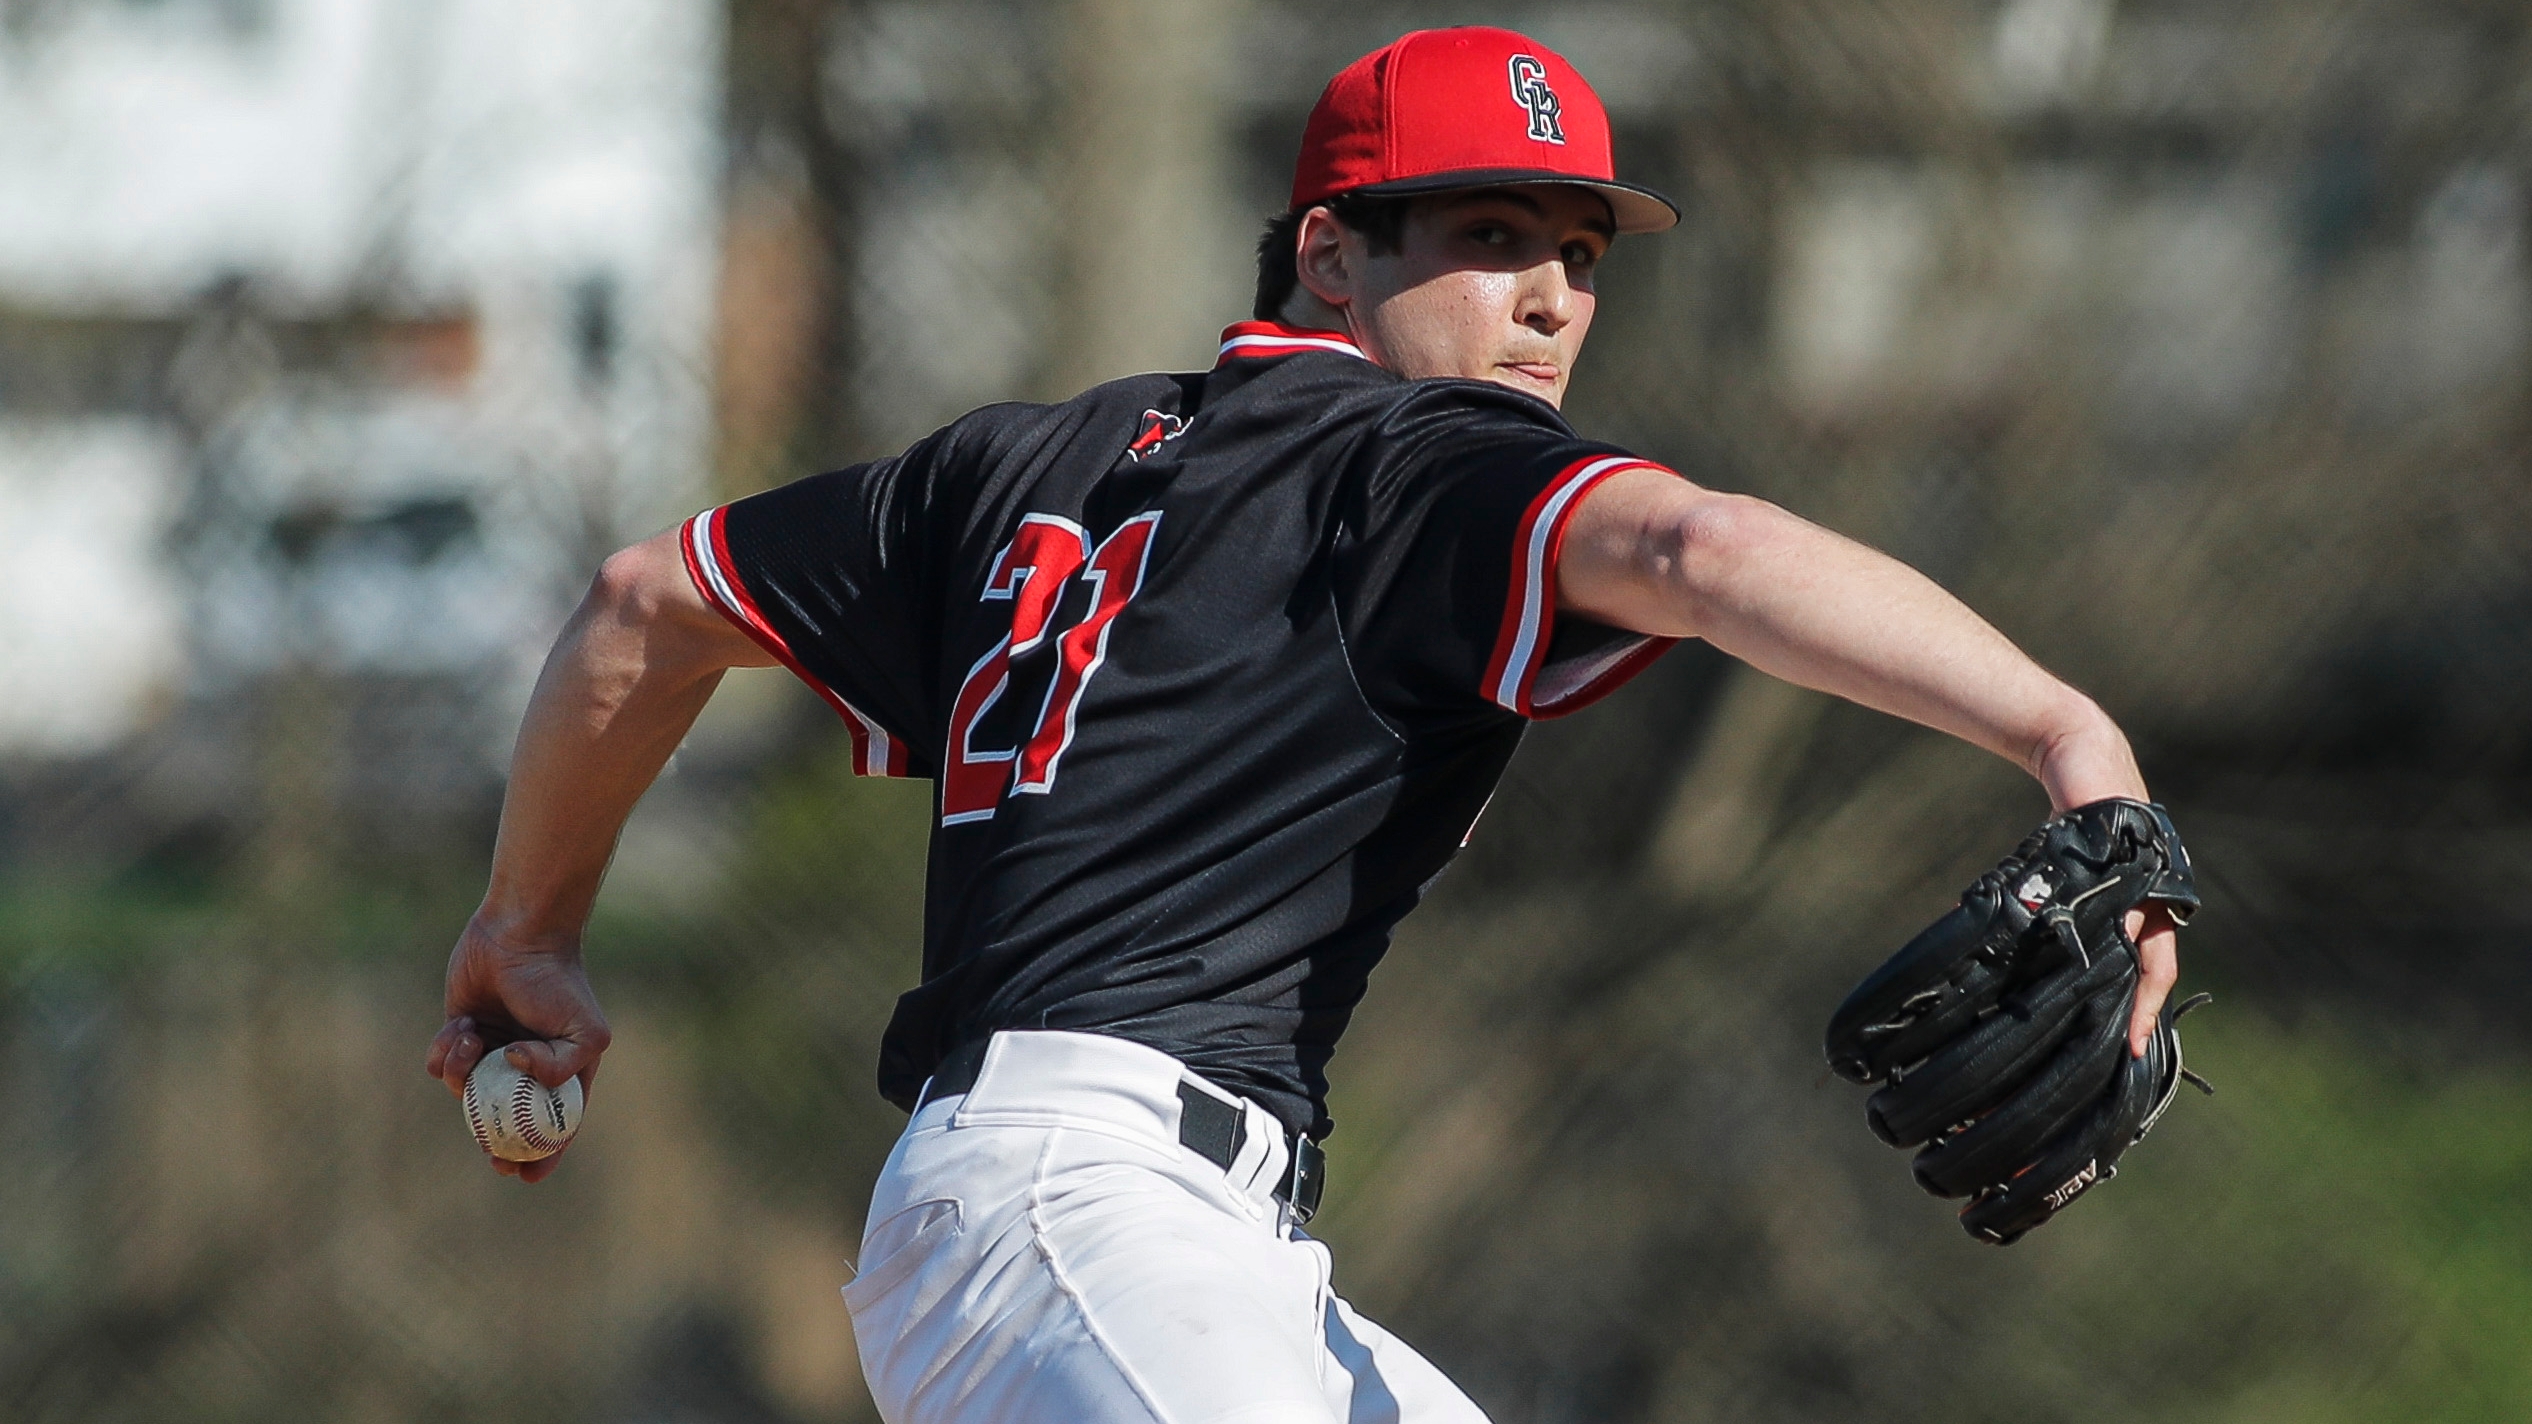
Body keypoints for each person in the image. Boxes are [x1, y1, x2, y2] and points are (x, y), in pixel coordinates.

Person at [426, 26, 2183, 1424]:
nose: (1555, 300)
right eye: (1491, 241)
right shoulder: (1424, 458)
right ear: (1332, 255)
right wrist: (2062, 731)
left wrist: (528, 930)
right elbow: (1709, 548)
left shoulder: (1017, 462)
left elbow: (644, 605)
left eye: (1578, 252)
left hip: (1157, 1239)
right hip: (1086, 1212)